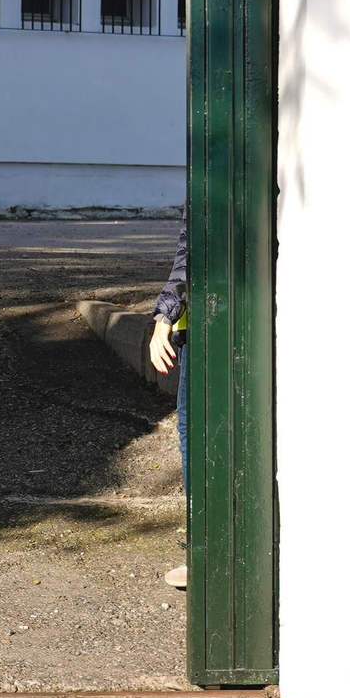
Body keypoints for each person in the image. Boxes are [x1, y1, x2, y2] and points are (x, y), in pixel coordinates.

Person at [148, 208, 191, 590]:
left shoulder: (210, 167)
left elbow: (190, 251)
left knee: (193, 432)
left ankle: (206, 550)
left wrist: (163, 320)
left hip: (208, 326)